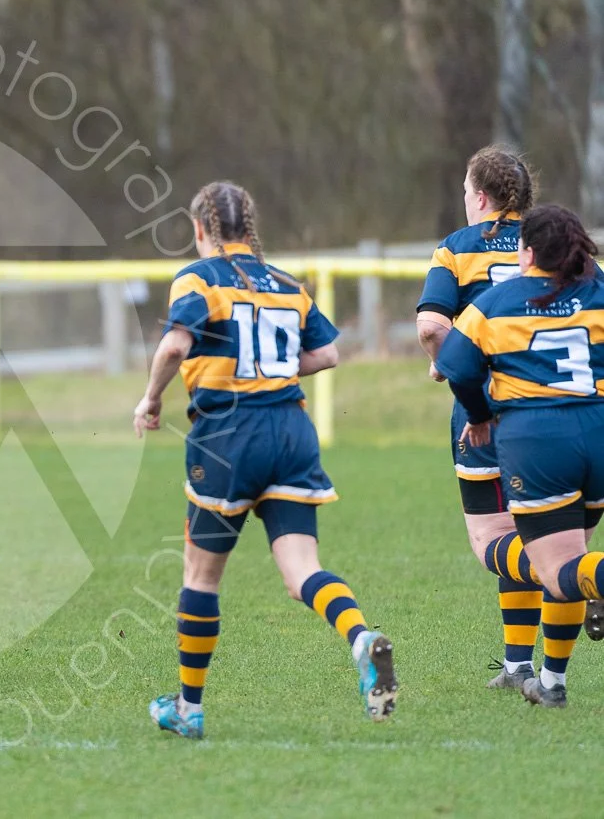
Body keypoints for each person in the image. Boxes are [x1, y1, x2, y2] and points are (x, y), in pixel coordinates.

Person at [133, 181, 397, 739]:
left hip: (228, 436)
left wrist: (151, 398)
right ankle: (360, 640)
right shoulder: (285, 284)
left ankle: (188, 707)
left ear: (201, 229)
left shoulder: (199, 278)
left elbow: (176, 346)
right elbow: (326, 352)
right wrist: (273, 371)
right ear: (247, 227)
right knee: (302, 570)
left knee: (201, 576)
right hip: (292, 432)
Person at [413, 147, 597, 691]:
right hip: (586, 412)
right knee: (567, 543)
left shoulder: (457, 249)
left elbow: (430, 326)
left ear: (480, 196)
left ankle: (565, 615)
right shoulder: (574, 258)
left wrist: (445, 364)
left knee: (499, 539)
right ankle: (537, 673)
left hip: (497, 414)